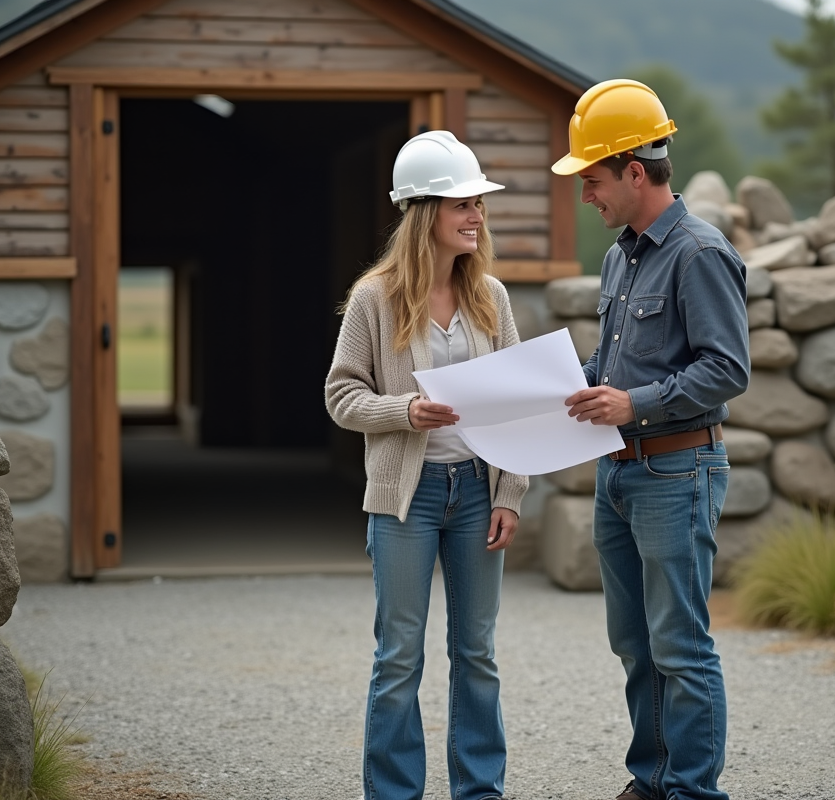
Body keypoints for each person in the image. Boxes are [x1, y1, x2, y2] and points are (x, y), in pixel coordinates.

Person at [553, 79, 751, 800]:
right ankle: (654, 778)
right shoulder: (620, 257)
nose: (586, 196)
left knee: (681, 647)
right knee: (635, 644)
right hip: (620, 477)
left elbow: (727, 371)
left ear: (636, 171)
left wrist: (630, 403)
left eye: (594, 180)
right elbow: (611, 368)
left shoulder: (700, 254)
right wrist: (555, 383)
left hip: (676, 472)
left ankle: (694, 791)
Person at [325, 130, 528, 800]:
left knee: (477, 656)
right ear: (422, 215)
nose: (476, 216)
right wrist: (405, 412)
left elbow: (520, 404)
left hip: (477, 492)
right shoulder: (373, 300)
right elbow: (341, 394)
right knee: (398, 659)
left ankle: (480, 791)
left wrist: (510, 495)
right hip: (405, 499)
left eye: (478, 204)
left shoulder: (490, 298)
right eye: (460, 205)